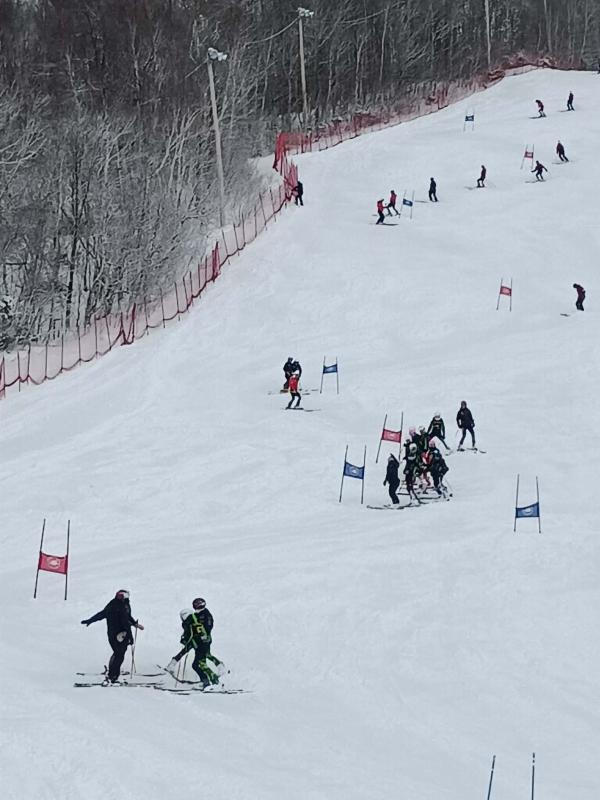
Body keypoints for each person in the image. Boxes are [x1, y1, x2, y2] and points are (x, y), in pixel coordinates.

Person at [81, 590, 144, 684]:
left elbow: (104, 614)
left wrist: (135, 623)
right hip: (119, 635)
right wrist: (131, 637)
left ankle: (112, 671)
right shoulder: (118, 606)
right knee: (119, 655)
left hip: (114, 634)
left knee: (117, 653)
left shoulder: (117, 604)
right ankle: (113, 676)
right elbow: (125, 622)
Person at [165, 600, 222, 689]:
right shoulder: (199, 616)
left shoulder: (190, 621)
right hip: (203, 642)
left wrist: (184, 640)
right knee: (198, 663)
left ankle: (214, 681)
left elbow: (190, 634)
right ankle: (208, 680)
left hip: (200, 644)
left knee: (200, 664)